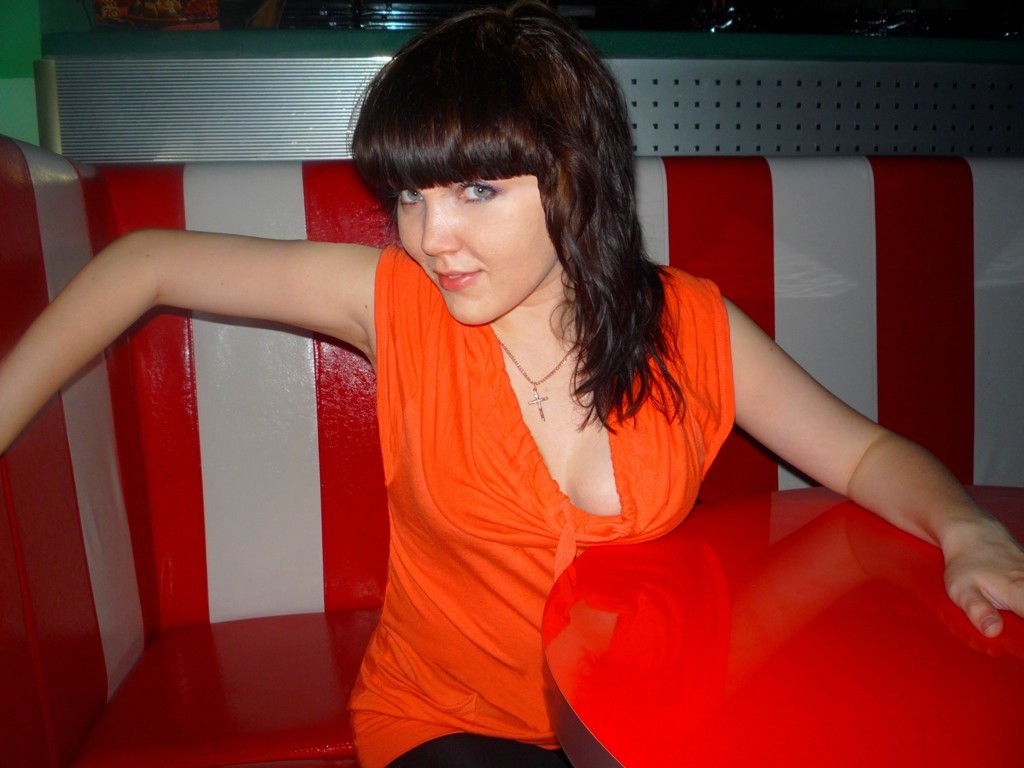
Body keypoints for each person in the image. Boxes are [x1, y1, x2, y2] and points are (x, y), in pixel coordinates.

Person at [0, 2, 1022, 766]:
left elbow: (863, 453)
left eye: (477, 189)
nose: (431, 238)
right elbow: (144, 263)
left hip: (643, 717)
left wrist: (965, 530)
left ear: (573, 175)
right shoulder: (392, 302)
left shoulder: (690, 328)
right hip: (445, 722)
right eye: (409, 196)